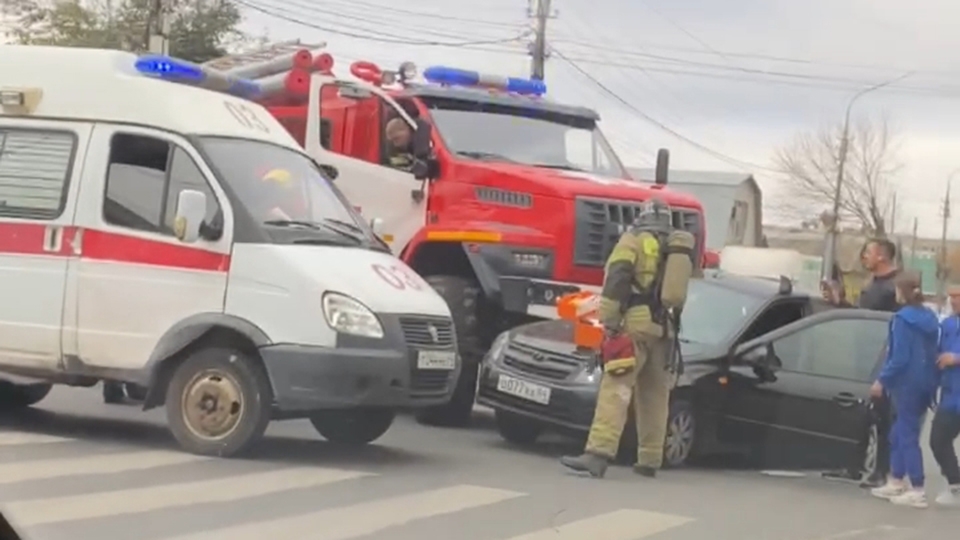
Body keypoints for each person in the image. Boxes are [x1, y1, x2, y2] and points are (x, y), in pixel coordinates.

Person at [559, 197, 694, 479]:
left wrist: (609, 323)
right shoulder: (676, 246)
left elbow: (616, 281)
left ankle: (597, 454)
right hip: (664, 329)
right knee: (656, 396)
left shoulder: (631, 242)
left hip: (634, 324)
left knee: (616, 390)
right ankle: (649, 459)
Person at [822, 238, 901, 488]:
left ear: (882, 257)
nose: (863, 256)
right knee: (859, 412)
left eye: (868, 252)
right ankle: (853, 465)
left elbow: (899, 325)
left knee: (883, 417)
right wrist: (840, 302)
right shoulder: (873, 284)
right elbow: (863, 315)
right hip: (862, 360)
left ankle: (881, 471)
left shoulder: (895, 287)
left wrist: (889, 364)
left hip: (883, 360)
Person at [869, 271, 939, 508]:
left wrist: (882, 380)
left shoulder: (902, 319)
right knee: (899, 432)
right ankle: (896, 479)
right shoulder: (929, 317)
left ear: (902, 291)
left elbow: (899, 357)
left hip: (906, 383)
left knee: (906, 434)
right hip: (925, 381)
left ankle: (917, 488)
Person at [930, 286, 960, 507]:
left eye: (958, 297)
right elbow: (937, 354)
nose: (954, 301)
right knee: (938, 441)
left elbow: (951, 357)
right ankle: (956, 484)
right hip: (951, 395)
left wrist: (957, 358)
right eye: (952, 297)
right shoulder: (948, 324)